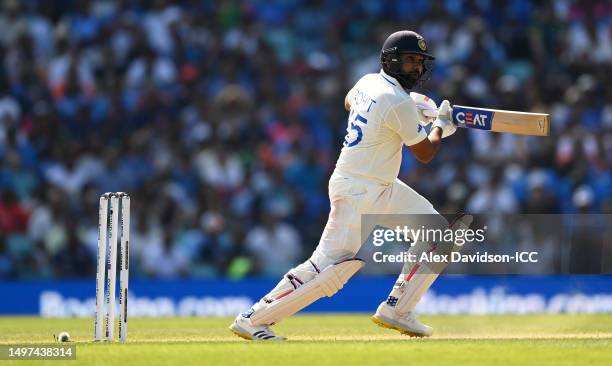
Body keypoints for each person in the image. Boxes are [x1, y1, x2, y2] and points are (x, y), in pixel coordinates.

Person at [230, 30, 471, 341]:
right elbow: (425, 152)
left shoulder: (368, 82)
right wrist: (439, 124)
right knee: (329, 266)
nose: (418, 68)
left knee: (437, 235)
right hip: (358, 189)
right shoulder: (396, 101)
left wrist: (413, 108)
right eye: (411, 61)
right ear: (391, 61)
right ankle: (253, 318)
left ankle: (398, 309)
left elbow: (349, 103)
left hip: (380, 185)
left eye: (420, 62)